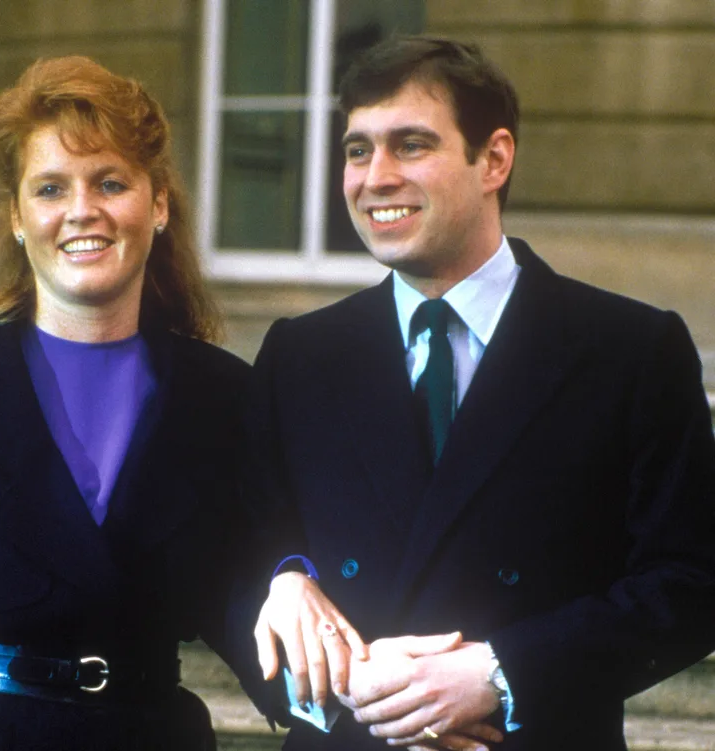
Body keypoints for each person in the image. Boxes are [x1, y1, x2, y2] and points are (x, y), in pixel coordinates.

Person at [247, 35, 715, 751]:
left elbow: (692, 581)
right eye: (357, 149)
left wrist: (502, 673)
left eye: (409, 145)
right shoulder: (299, 355)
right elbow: (237, 550)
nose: (374, 177)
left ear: (494, 158)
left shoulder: (630, 350)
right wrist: (286, 583)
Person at [0, 56, 254, 751]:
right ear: (18, 217)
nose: (82, 210)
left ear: (159, 204)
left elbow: (256, 603)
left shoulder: (227, 401)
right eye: (51, 187)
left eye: (110, 182)